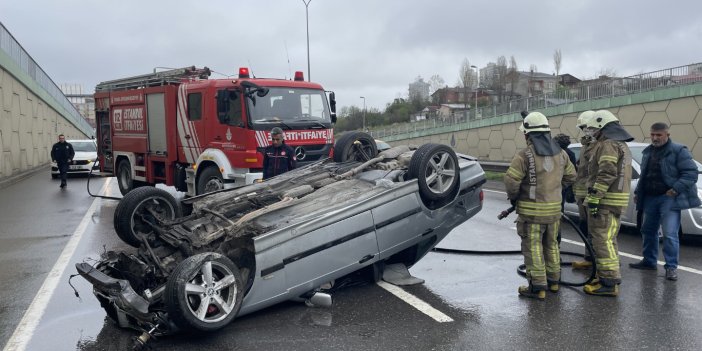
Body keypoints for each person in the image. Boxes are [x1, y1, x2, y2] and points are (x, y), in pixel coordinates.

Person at [504, 112, 576, 299]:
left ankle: (538, 287)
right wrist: (554, 189)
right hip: (554, 212)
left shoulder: (524, 156)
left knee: (533, 248)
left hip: (531, 214)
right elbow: (571, 176)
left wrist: (515, 197)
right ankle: (553, 283)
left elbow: (512, 181)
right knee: (552, 246)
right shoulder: (561, 154)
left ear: (528, 134)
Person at [630, 123, 700, 281]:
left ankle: (671, 268)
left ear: (667, 134)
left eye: (658, 135)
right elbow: (645, 175)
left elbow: (690, 173)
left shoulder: (679, 150)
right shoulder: (649, 151)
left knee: (669, 234)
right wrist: (637, 192)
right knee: (648, 230)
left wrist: (675, 189)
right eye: (652, 135)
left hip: (669, 198)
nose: (655, 138)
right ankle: (649, 261)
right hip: (650, 197)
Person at [582, 110, 633, 297]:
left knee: (602, 240)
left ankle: (609, 282)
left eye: (595, 129)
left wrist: (595, 196)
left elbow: (607, 172)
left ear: (603, 127)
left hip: (605, 201)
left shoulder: (608, 145)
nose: (593, 132)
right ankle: (606, 276)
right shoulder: (622, 145)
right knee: (609, 240)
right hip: (616, 201)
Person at [570, 110, 597, 270]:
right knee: (585, 227)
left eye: (586, 127)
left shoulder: (599, 146)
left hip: (591, 194)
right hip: (582, 194)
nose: (584, 131)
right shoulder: (585, 145)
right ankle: (589, 257)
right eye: (582, 128)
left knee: (595, 230)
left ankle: (599, 263)